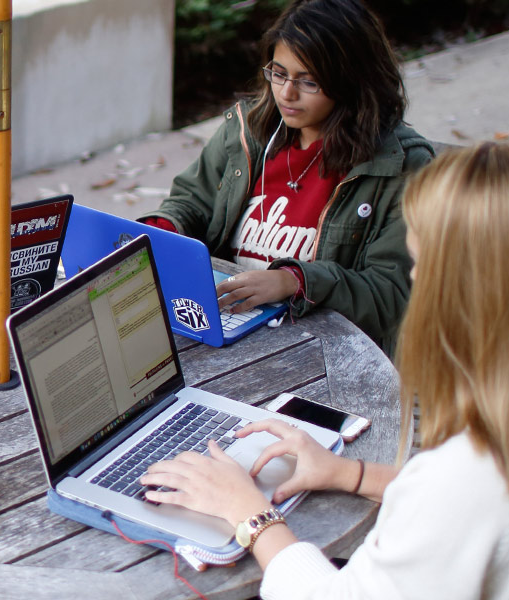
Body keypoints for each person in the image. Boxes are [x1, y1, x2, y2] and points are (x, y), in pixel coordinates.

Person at [140, 143, 509, 599]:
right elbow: (473, 518)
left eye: (422, 264)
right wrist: (349, 474)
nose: (415, 280)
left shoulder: (473, 475)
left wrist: (250, 514)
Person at [138, 0, 431, 352]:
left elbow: (392, 294)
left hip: (323, 352)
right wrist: (160, 232)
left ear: (353, 81)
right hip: (224, 326)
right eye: (278, 73)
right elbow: (193, 201)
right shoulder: (247, 131)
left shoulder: (401, 167)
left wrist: (293, 281)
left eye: (309, 82)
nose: (286, 94)